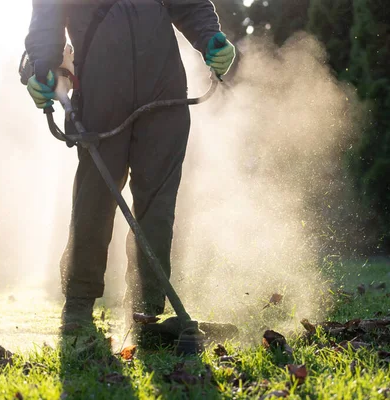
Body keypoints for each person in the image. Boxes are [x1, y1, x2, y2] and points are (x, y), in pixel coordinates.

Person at [25, 0, 235, 328]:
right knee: (94, 201)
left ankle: (145, 312)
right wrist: (38, 68)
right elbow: (45, 22)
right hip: (100, 94)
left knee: (157, 208)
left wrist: (211, 38)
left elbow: (189, 4)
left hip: (164, 92)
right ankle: (78, 307)